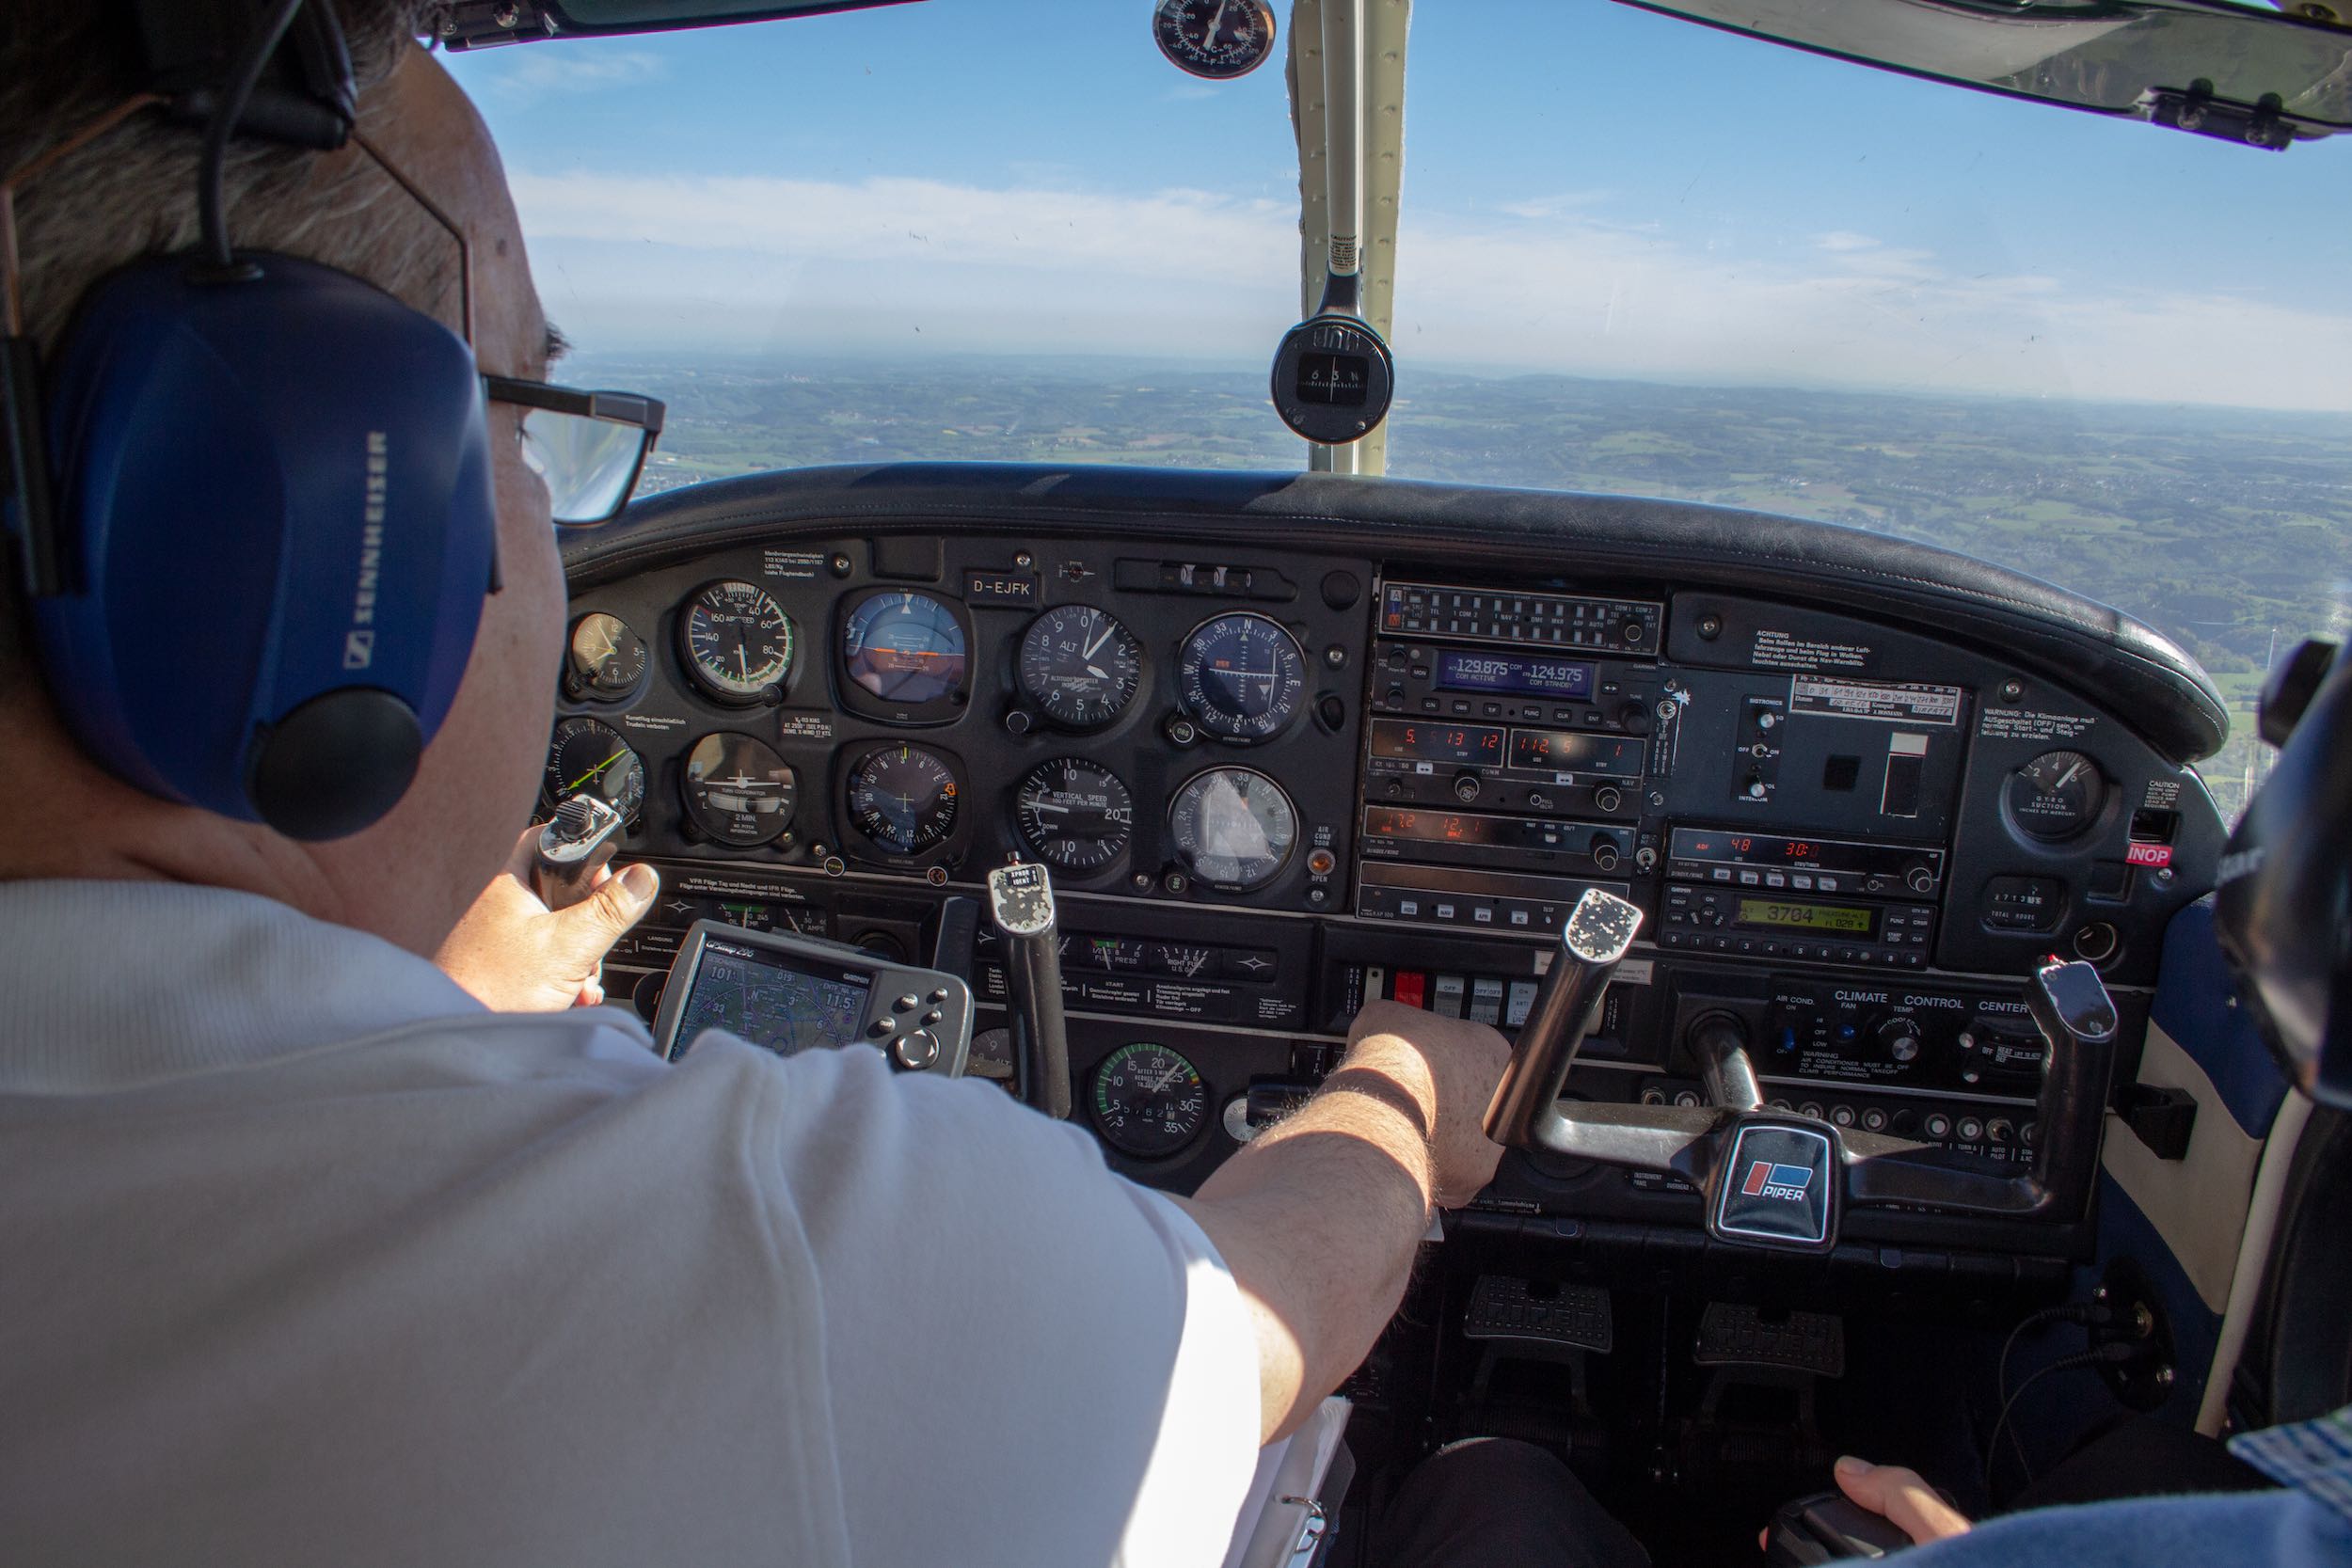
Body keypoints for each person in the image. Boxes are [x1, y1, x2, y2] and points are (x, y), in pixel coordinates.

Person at [0, 7, 1514, 1563]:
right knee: (1493, 1495)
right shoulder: (775, 1254)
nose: (556, 529)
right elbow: (1261, 1319)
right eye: (522, 428)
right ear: (318, 538)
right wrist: (1402, 1087)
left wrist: (421, 1012)